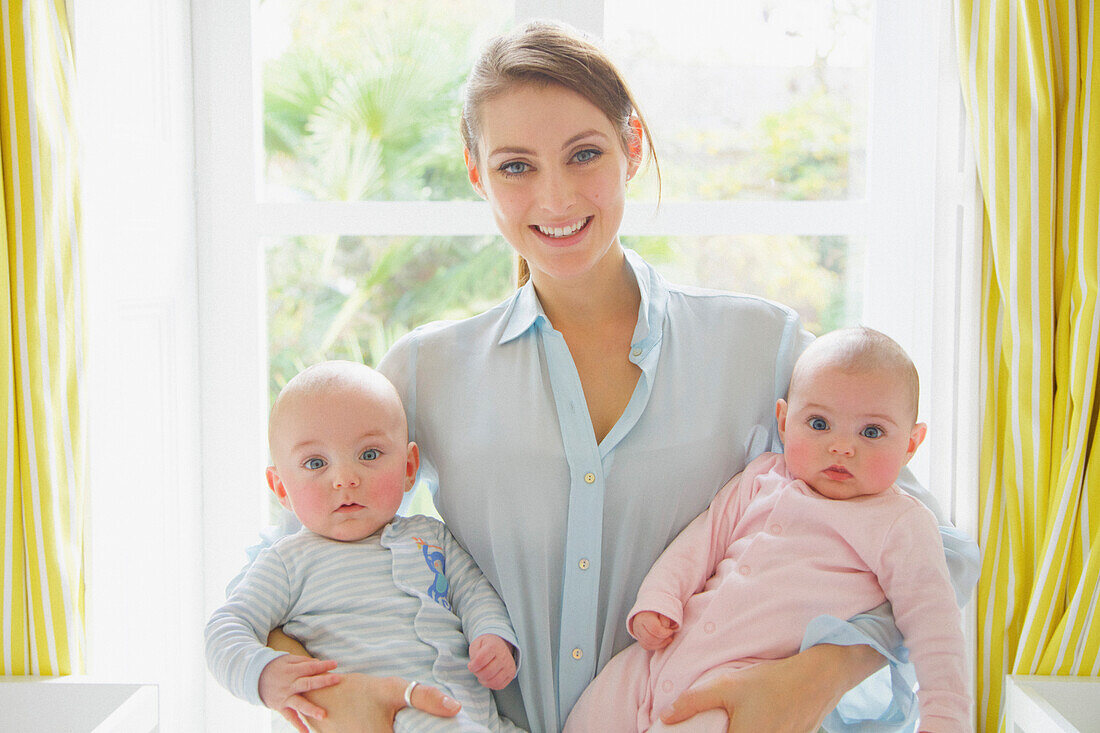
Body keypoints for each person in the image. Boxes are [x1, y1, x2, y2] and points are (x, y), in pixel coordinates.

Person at [257, 21, 980, 733]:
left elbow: (937, 555)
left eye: (583, 154)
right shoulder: (424, 370)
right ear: (476, 173)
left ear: (632, 148)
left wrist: (808, 678)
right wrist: (335, 694)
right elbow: (279, 568)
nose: (556, 198)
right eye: (516, 166)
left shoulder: (759, 346)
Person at [564, 327, 969, 732]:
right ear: (784, 421)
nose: (842, 446)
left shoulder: (901, 524)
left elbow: (936, 630)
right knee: (595, 710)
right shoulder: (761, 477)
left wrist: (945, 719)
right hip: (662, 653)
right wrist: (660, 596)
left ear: (912, 444)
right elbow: (702, 541)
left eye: (871, 432)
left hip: (745, 690)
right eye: (818, 423)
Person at [206, 361, 521, 733]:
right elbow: (225, 627)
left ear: (408, 467)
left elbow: (473, 592)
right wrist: (263, 675)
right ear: (280, 489)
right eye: (315, 463)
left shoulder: (431, 536)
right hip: (391, 718)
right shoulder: (288, 562)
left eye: (369, 455)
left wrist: (492, 635)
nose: (345, 479)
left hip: (482, 718)